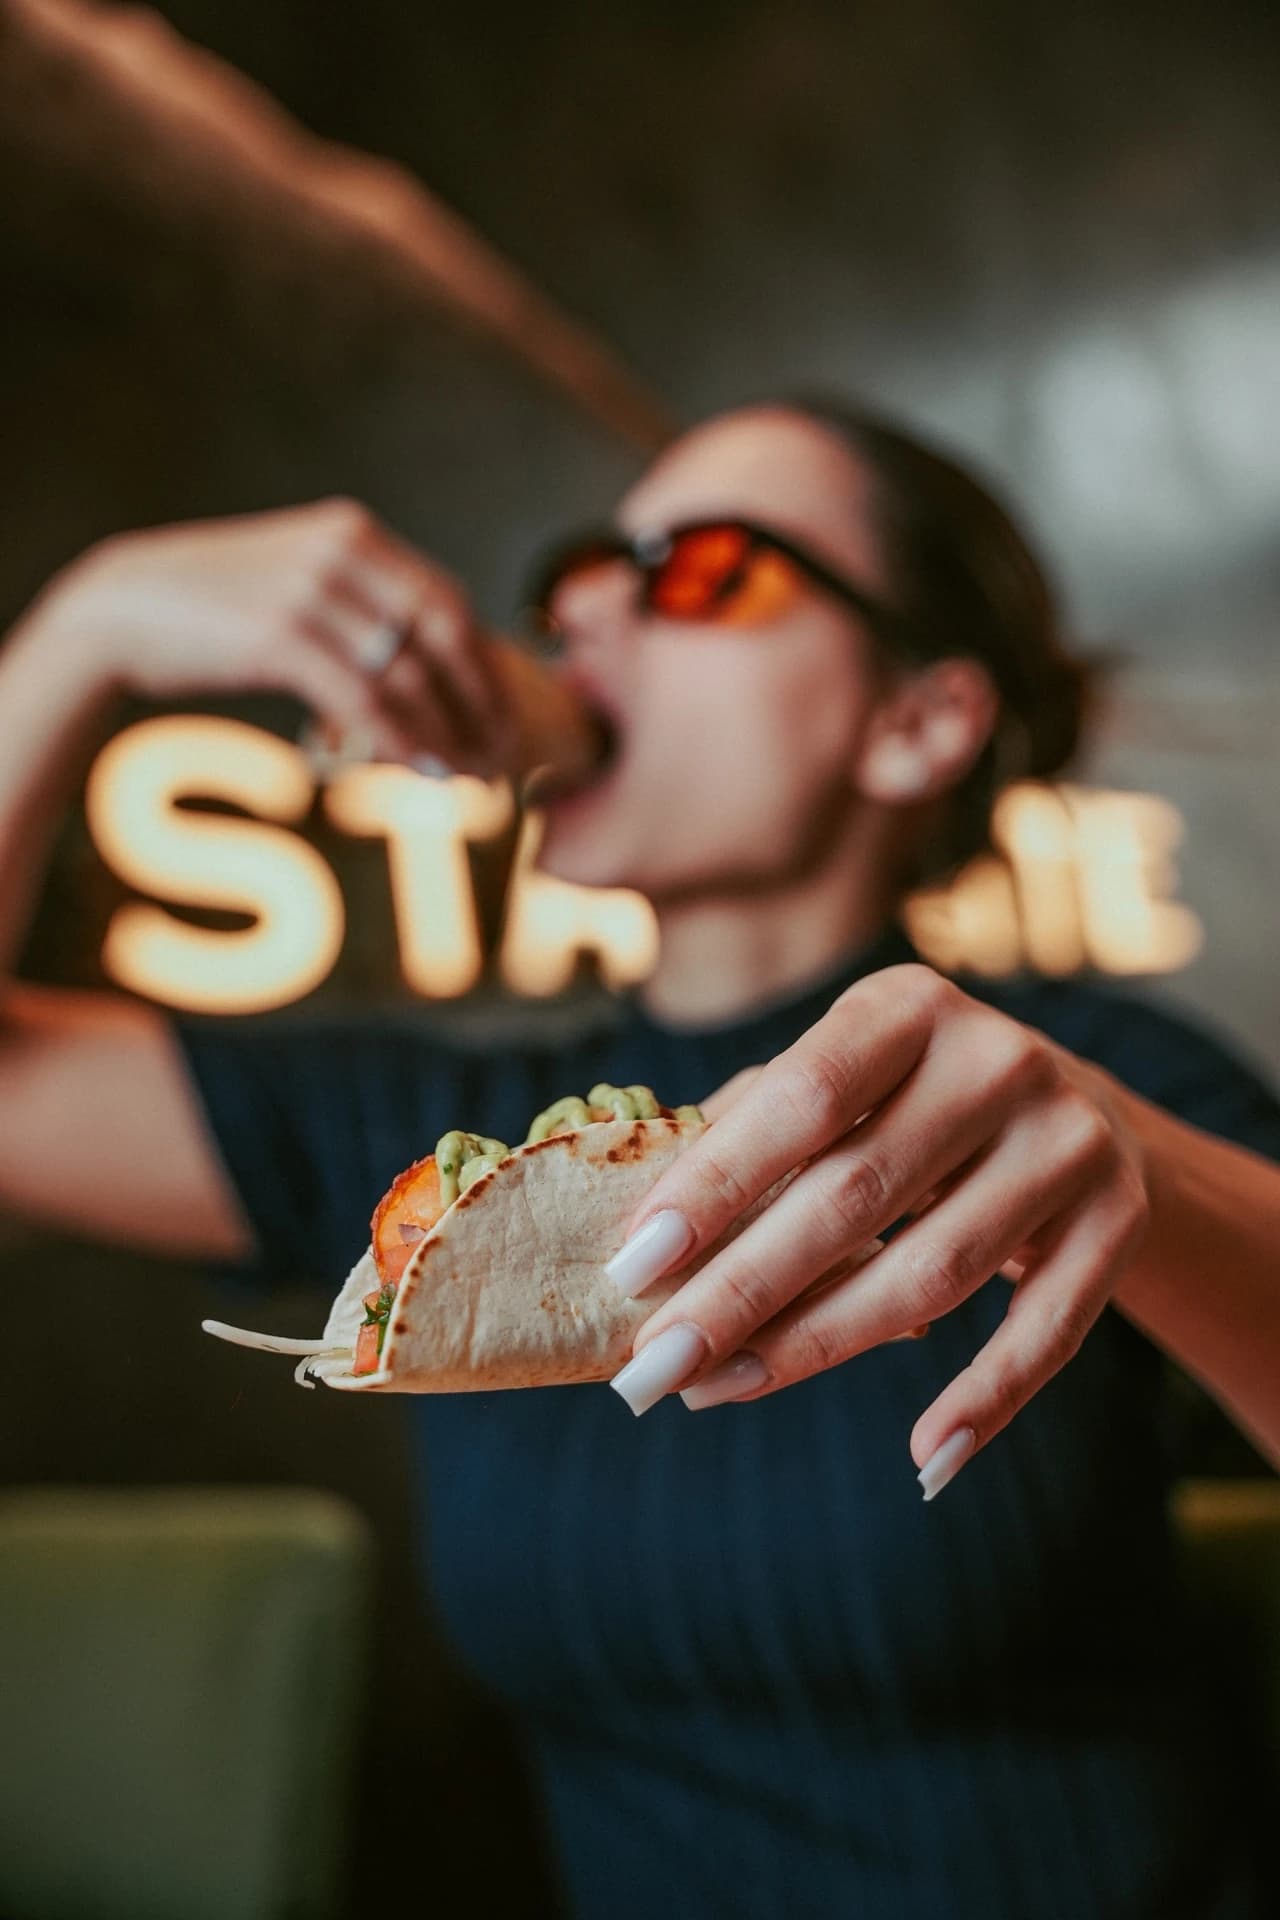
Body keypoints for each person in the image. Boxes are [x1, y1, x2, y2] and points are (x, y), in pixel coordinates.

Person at [2, 399, 1278, 1918]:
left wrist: (1138, 1169)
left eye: (701, 573)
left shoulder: (1080, 1077)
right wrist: (83, 635)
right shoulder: (444, 1155)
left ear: (919, 720)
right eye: (578, 579)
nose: (587, 609)